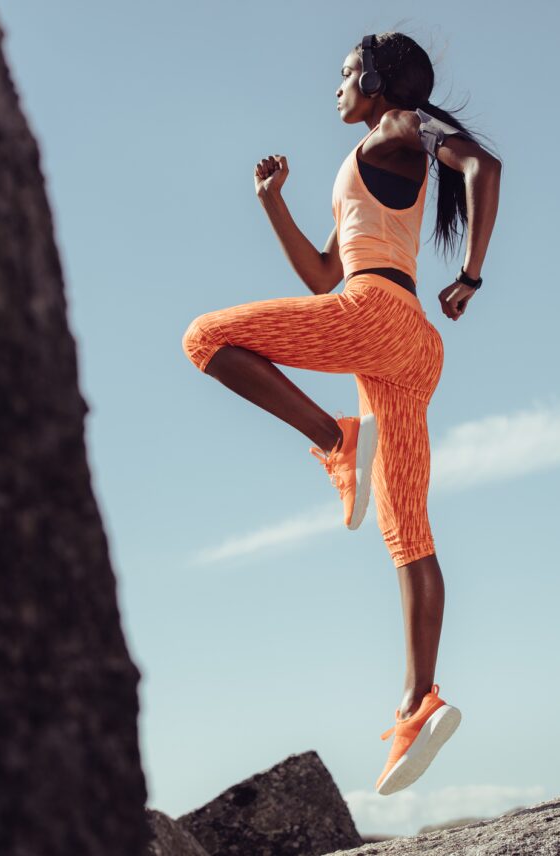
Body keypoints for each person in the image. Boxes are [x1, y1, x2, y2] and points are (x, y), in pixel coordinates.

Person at [181, 31, 502, 795]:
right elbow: (324, 274)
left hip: (379, 319)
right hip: (405, 342)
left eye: (346, 74)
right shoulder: (371, 156)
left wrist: (472, 276)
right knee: (406, 531)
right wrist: (271, 204)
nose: (336, 87)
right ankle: (418, 700)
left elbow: (483, 164)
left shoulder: (405, 127)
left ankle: (334, 439)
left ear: (381, 83)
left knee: (205, 338)